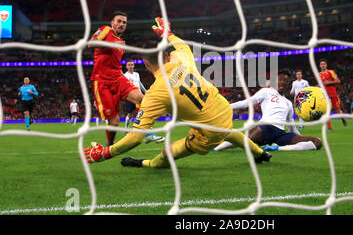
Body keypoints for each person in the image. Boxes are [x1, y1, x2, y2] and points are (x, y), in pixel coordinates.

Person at [84, 17, 271, 168]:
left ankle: (144, 163)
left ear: (146, 64)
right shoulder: (182, 57)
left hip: (208, 134)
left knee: (166, 155)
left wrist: (104, 154)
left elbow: (135, 138)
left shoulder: (155, 94)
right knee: (227, 130)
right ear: (167, 55)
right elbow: (180, 44)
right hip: (224, 110)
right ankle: (260, 153)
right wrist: (167, 33)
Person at [89, 11, 161, 146]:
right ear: (112, 23)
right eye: (119, 21)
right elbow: (91, 43)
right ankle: (110, 144)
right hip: (102, 82)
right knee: (114, 122)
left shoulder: (121, 43)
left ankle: (144, 132)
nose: (122, 24)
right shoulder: (106, 30)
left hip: (117, 77)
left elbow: (114, 62)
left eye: (124, 22)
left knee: (141, 98)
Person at [214, 70, 322, 152]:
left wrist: (301, 137)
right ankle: (218, 147)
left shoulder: (288, 103)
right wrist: (227, 107)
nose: (282, 82)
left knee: (317, 142)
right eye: (279, 79)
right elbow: (246, 102)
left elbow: (291, 128)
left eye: (285, 80)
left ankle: (277, 148)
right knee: (253, 134)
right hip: (265, 128)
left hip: (280, 134)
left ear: (289, 83)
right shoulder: (266, 92)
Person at [319, 59, 347, 130]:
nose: (323, 65)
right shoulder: (319, 74)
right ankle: (330, 127)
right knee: (326, 111)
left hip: (333, 94)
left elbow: (338, 81)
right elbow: (321, 84)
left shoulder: (331, 72)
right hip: (325, 95)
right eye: (321, 64)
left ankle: (342, 118)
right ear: (320, 66)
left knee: (337, 109)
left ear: (326, 65)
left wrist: (329, 83)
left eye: (324, 64)